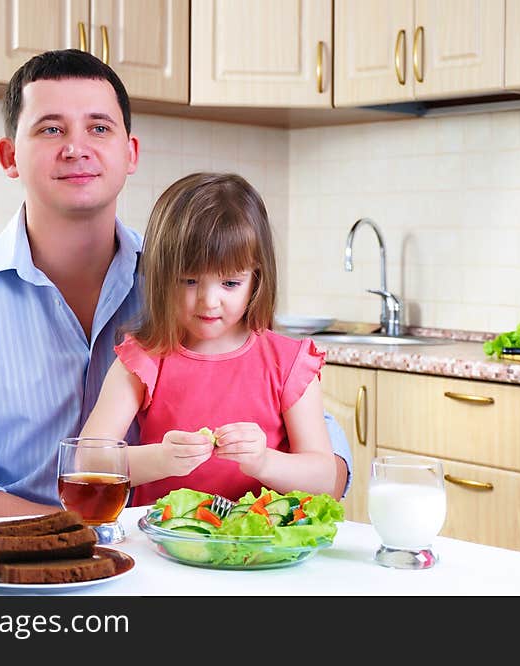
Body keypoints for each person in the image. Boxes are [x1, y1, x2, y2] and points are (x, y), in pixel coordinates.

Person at [0, 49, 351, 523]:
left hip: (183, 557)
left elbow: (319, 450)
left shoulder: (191, 280)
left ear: (130, 153)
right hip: (14, 560)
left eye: (99, 128)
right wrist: (70, 537)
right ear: (10, 156)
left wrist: (277, 465)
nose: (76, 147)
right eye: (51, 129)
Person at [80, 172, 335, 505]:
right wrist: (161, 459)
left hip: (262, 546)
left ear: (256, 278)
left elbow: (324, 480)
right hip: (163, 543)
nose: (208, 301)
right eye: (188, 281)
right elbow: (87, 461)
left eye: (230, 283)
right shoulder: (143, 358)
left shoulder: (289, 363)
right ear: (161, 276)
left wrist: (264, 461)